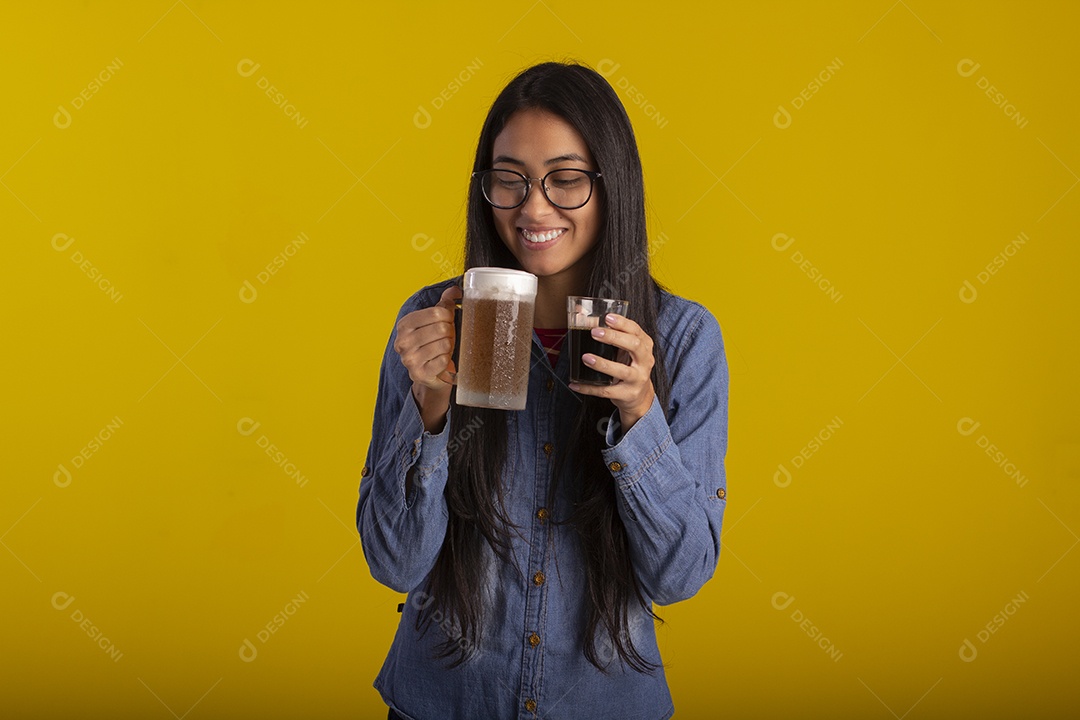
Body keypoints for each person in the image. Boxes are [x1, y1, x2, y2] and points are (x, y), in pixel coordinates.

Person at [356, 61, 729, 720]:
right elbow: (395, 563)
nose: (533, 207)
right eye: (510, 180)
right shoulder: (435, 323)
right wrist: (431, 410)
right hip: (441, 704)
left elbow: (679, 577)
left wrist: (639, 412)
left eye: (566, 179)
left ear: (612, 187)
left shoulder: (682, 339)